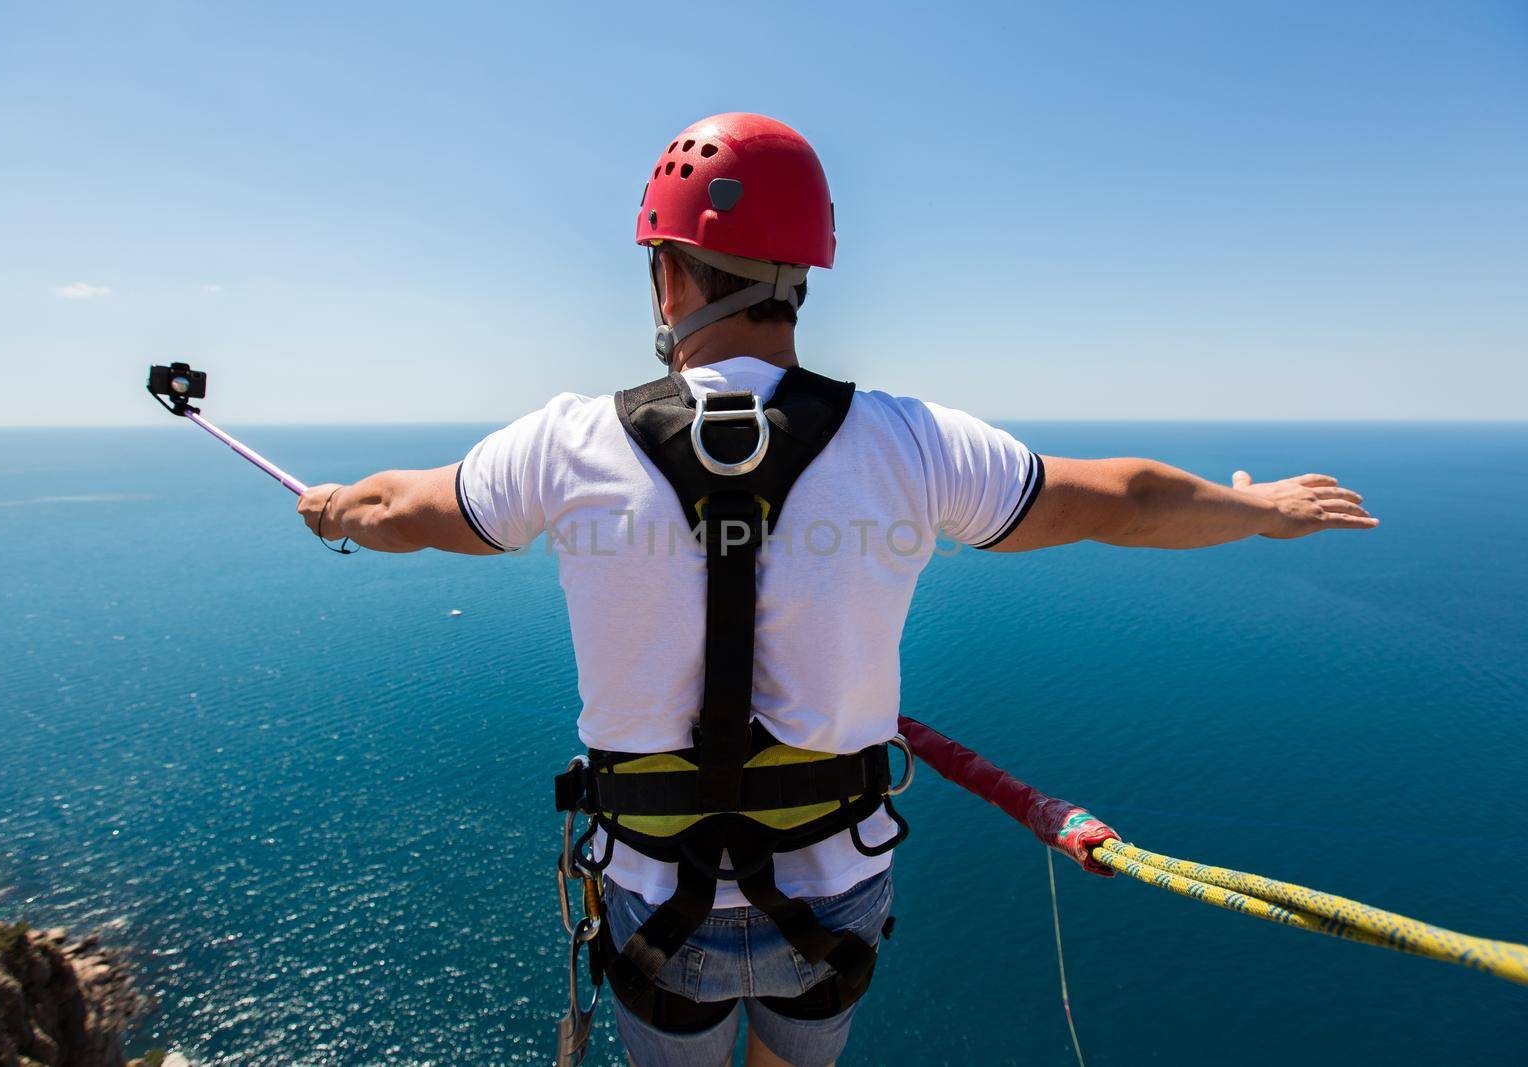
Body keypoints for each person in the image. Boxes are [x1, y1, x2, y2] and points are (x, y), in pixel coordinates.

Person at [295, 113, 1377, 1067]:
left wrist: (338, 506)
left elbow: (403, 511)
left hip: (650, 888)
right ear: (801, 277)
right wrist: (1261, 507)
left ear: (669, 274)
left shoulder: (568, 441)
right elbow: (1126, 499)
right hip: (831, 889)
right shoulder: (910, 441)